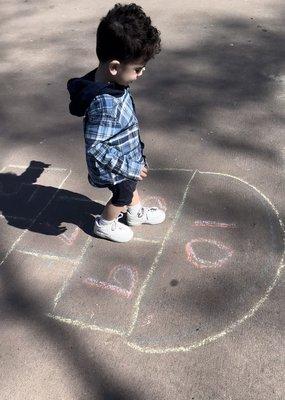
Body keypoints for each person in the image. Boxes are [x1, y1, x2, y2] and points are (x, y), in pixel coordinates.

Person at [67, 3, 165, 242]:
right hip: (115, 167)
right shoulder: (103, 103)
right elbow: (96, 146)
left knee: (130, 188)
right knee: (122, 194)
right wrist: (130, 168)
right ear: (114, 67)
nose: (141, 74)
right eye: (138, 69)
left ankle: (134, 214)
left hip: (126, 155)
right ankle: (105, 223)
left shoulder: (109, 79)